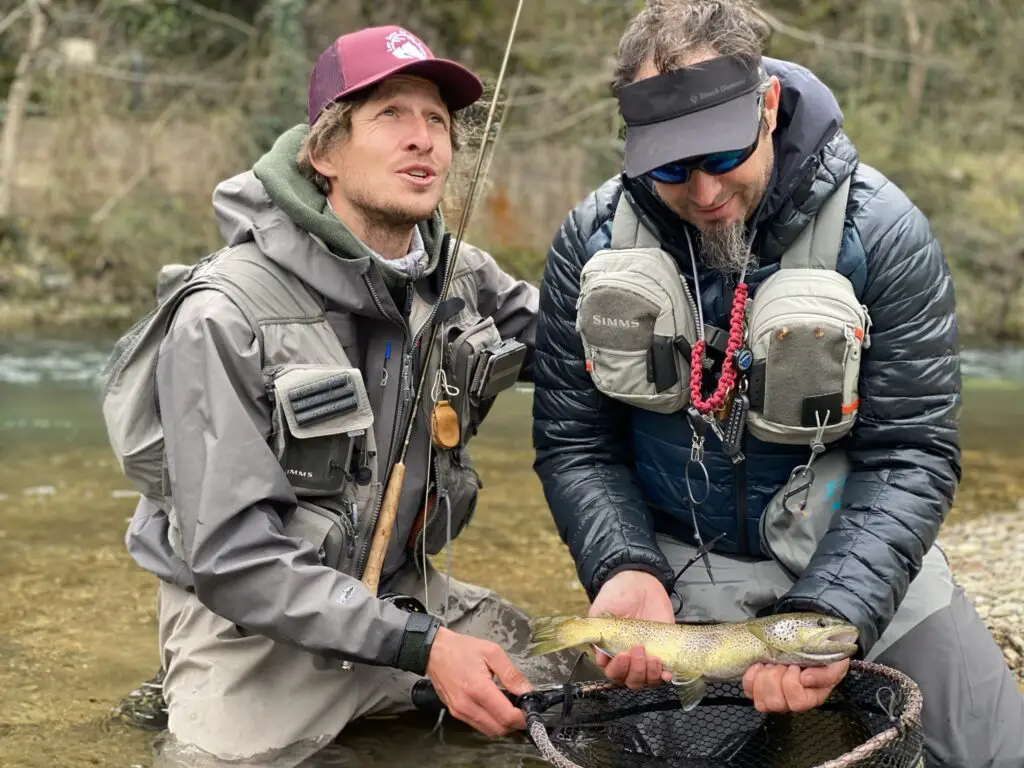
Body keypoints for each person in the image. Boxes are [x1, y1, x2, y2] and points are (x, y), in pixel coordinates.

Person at [530, 1, 1024, 766]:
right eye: (669, 167)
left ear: (766, 108)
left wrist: (835, 607)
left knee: (997, 752)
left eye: (721, 156)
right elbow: (575, 445)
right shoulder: (588, 241)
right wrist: (622, 564)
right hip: (678, 570)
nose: (701, 192)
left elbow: (912, 455)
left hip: (854, 549)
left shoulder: (883, 233)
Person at [102, 24, 586, 766]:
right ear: (323, 152)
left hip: (402, 599)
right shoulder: (222, 315)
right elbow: (233, 560)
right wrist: (425, 648)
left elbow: (582, 350)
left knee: (580, 687)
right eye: (390, 115)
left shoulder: (463, 279)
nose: (422, 139)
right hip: (256, 630)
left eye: (435, 120)